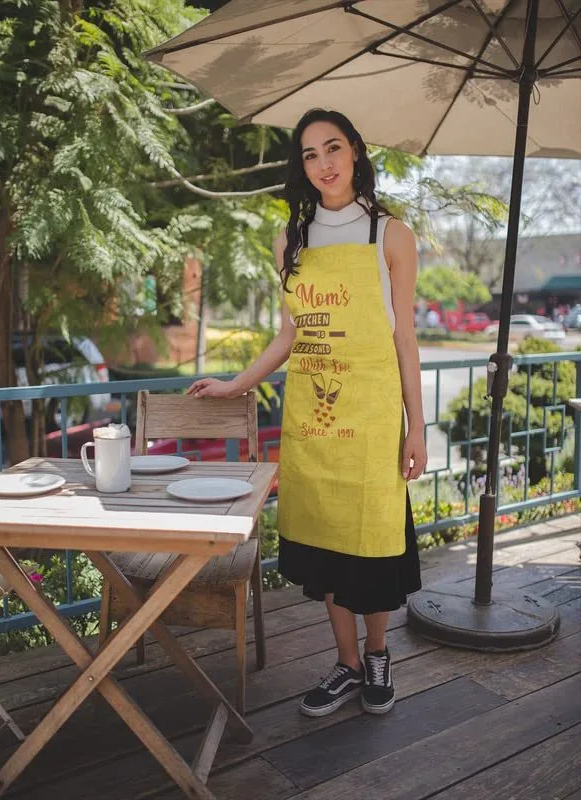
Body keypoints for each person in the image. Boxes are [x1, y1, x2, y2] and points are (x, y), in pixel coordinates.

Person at [187, 108, 426, 719]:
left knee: (371, 550)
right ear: (302, 166)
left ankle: (377, 656)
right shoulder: (290, 241)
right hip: (314, 424)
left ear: (355, 153)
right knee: (324, 550)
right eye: (311, 153)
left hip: (372, 425)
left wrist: (417, 427)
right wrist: (236, 384)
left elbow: (405, 339)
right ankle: (346, 665)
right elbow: (288, 336)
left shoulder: (391, 236)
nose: (323, 163)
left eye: (334, 148)